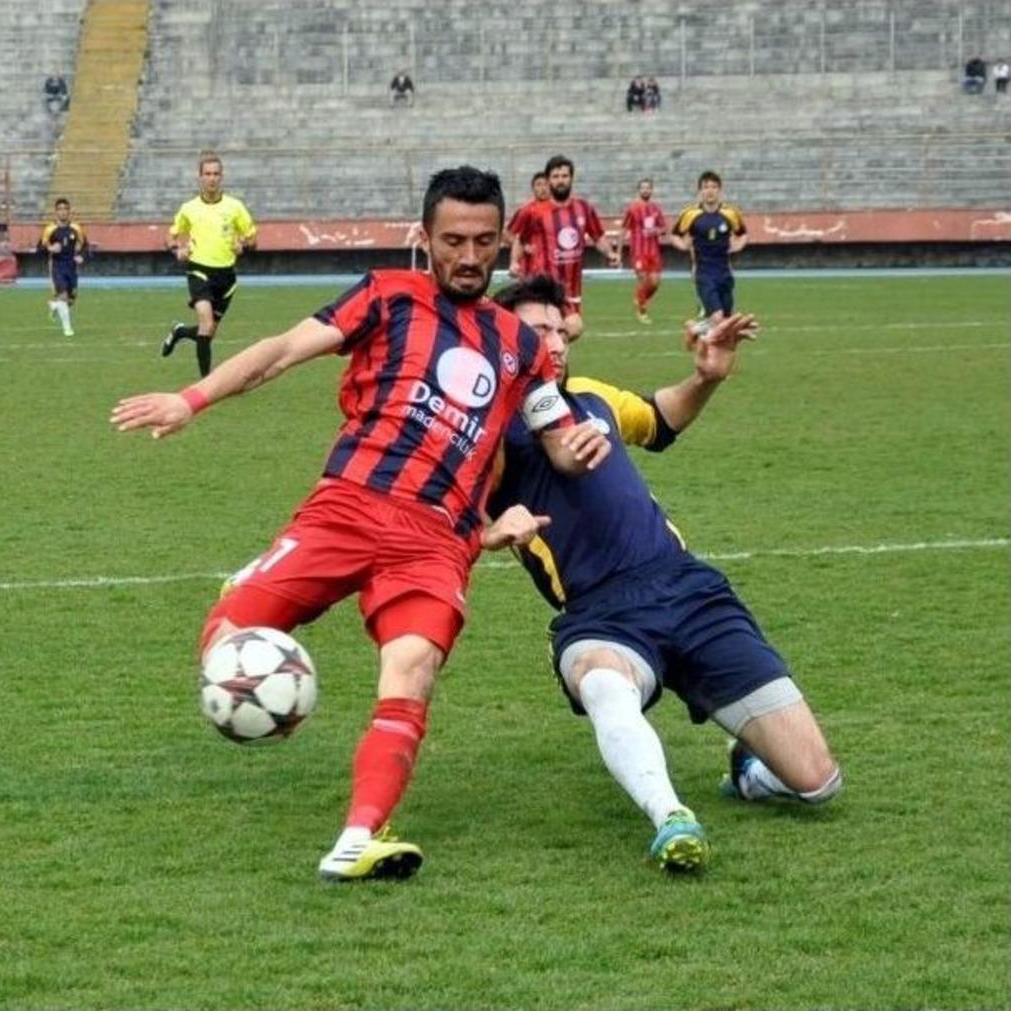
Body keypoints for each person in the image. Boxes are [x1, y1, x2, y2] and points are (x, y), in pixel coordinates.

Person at [111, 166, 610, 883]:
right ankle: (258, 632)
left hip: (436, 541)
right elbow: (282, 350)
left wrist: (579, 446)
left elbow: (556, 438)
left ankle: (358, 837)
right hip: (347, 508)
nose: (469, 256)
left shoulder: (521, 346)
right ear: (426, 239)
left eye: (483, 241)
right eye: (453, 241)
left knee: (412, 669)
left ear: (503, 241)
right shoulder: (387, 293)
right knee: (225, 637)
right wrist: (192, 399)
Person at [488, 275, 842, 873]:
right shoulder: (488, 433)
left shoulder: (592, 397)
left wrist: (705, 378)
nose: (554, 341)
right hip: (600, 616)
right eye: (536, 331)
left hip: (687, 590)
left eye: (558, 329)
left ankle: (749, 772)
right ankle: (670, 816)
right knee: (602, 681)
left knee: (818, 781)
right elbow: (437, 513)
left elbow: (658, 419)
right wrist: (489, 530)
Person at [161, 151, 257, 377]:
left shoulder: (235, 207)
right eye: (207, 174)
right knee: (205, 323)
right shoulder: (189, 208)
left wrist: (243, 246)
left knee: (208, 331)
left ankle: (180, 332)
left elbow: (253, 239)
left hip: (227, 277)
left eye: (216, 174)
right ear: (200, 177)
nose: (212, 178)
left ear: (221, 177)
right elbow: (170, 236)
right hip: (199, 272)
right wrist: (177, 250)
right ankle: (206, 383)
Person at [507, 154, 620, 341]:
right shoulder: (534, 212)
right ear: (548, 180)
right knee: (572, 327)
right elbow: (519, 239)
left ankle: (544, 356)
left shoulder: (584, 208)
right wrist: (514, 262)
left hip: (572, 287)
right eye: (556, 176)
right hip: (545, 285)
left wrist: (610, 253)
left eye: (565, 176)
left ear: (571, 178)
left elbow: (597, 236)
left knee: (561, 334)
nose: (560, 181)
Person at [670, 170, 747, 325]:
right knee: (717, 317)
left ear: (719, 190)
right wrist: (683, 246)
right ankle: (701, 327)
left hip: (725, 272)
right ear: (700, 191)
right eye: (706, 187)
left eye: (713, 187)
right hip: (703, 273)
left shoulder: (731, 213)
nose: (710, 191)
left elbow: (743, 233)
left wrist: (738, 246)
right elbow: (674, 235)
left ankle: (699, 330)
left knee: (726, 320)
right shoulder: (690, 214)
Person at [37, 197, 88, 337]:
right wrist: (50, 249)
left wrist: (82, 256)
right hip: (57, 266)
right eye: (60, 209)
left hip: (72, 267)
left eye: (65, 209)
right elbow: (39, 248)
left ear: (69, 211)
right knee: (63, 296)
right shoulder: (50, 229)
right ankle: (68, 329)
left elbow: (85, 246)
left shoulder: (76, 228)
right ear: (56, 212)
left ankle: (55, 305)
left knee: (70, 300)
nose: (63, 212)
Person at [620, 178, 667, 324]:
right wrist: (618, 252)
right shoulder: (632, 208)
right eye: (643, 188)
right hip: (638, 251)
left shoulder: (655, 208)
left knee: (655, 282)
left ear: (651, 190)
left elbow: (664, 228)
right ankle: (642, 311)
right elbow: (623, 229)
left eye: (648, 188)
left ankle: (639, 299)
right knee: (644, 279)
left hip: (653, 251)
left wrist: (656, 230)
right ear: (639, 190)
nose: (645, 190)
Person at [505, 171, 550, 279]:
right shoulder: (527, 210)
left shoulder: (559, 209)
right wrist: (524, 247)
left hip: (554, 263)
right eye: (539, 185)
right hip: (531, 266)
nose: (543, 188)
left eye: (546, 184)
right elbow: (509, 234)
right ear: (533, 188)